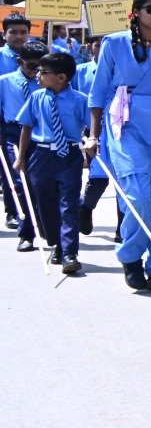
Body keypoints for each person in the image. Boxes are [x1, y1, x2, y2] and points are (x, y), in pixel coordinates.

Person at [88, 0, 151, 294]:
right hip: (124, 122)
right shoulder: (115, 43)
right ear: (136, 12)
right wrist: (94, 135)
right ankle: (130, 256)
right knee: (138, 196)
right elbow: (98, 90)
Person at [15, 51, 91, 275]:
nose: (38, 75)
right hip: (42, 154)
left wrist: (91, 144)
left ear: (61, 77)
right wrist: (21, 157)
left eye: (44, 72)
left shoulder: (79, 100)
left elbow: (91, 127)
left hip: (69, 154)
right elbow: (27, 125)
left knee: (68, 203)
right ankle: (56, 243)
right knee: (45, 203)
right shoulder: (37, 97)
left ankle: (70, 253)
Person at [1, 40, 48, 248]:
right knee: (20, 184)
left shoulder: (47, 83)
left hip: (41, 136)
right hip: (14, 134)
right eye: (31, 66)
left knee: (41, 184)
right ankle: (27, 232)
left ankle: (44, 224)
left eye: (41, 67)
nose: (36, 72)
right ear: (20, 61)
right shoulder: (5, 81)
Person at [73, 40, 113, 236]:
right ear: (91, 47)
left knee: (126, 183)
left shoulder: (124, 68)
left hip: (124, 130)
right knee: (99, 178)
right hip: (94, 132)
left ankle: (123, 230)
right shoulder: (80, 71)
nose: (103, 49)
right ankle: (86, 208)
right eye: (98, 44)